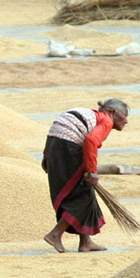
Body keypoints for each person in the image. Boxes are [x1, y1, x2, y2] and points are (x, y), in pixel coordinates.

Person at [42, 98, 130, 253]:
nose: (126, 121)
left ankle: (85, 242)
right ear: (112, 113)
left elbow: (54, 133)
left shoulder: (93, 116)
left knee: (85, 192)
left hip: (56, 146)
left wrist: (47, 156)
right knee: (82, 194)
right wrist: (92, 171)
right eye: (125, 115)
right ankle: (55, 234)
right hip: (68, 148)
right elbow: (91, 141)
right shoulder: (106, 120)